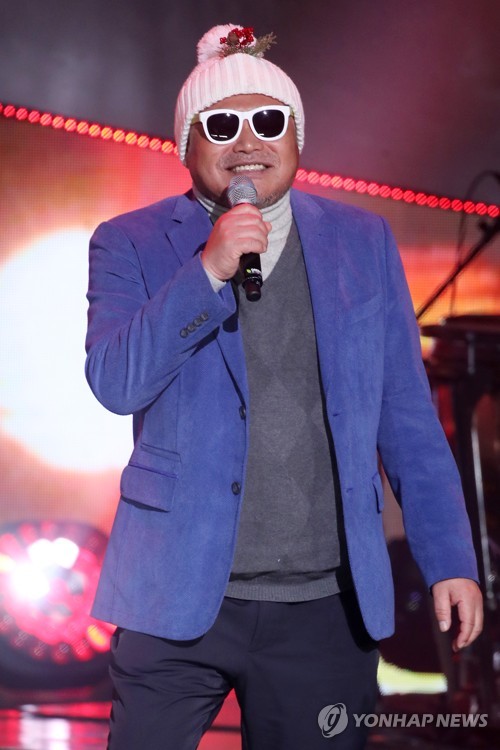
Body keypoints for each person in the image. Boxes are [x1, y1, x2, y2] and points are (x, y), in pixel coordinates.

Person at [85, 23, 483, 750]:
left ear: (296, 136)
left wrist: (451, 559)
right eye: (222, 126)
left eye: (269, 122)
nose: (248, 142)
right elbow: (116, 382)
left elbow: (407, 419)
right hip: (173, 596)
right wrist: (206, 271)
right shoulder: (130, 241)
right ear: (186, 144)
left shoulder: (362, 241)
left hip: (324, 608)